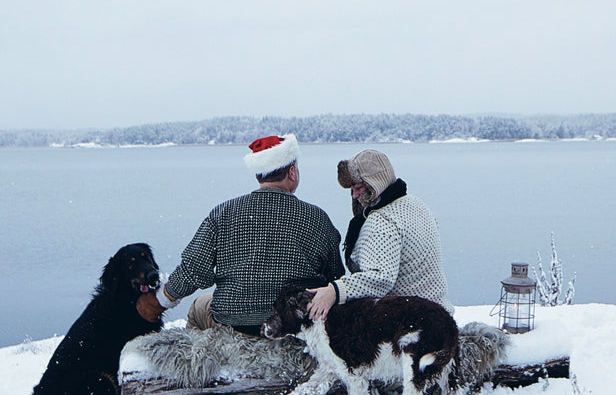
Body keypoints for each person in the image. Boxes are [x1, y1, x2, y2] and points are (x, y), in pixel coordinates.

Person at [136, 134, 344, 333]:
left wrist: (161, 300)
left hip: (234, 326)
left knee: (200, 305)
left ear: (259, 174)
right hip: (292, 325)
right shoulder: (317, 219)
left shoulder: (223, 213)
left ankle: (201, 362)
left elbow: (193, 269)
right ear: (292, 172)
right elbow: (335, 277)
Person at [304, 149, 447, 322]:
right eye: (352, 189)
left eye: (358, 188)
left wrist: (334, 291)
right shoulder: (416, 204)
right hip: (438, 313)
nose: (355, 195)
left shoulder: (381, 221)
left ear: (375, 183)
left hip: (409, 323)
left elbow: (380, 278)